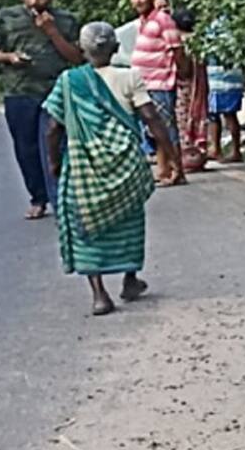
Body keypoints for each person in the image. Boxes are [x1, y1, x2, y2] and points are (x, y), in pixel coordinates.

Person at [43, 22, 177, 316]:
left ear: (82, 50)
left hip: (82, 166)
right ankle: (129, 280)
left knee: (87, 228)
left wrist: (53, 161)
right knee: (129, 220)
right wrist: (171, 154)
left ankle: (99, 295)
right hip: (126, 163)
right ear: (116, 48)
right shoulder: (130, 77)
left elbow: (53, 128)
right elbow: (151, 118)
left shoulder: (68, 81)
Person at [0, 0, 84, 219]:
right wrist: (9, 58)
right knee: (26, 148)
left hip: (56, 91)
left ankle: (61, 196)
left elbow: (77, 57)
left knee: (58, 146)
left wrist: (52, 31)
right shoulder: (5, 18)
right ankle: (38, 198)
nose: (34, 2)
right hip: (20, 92)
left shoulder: (66, 21)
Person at [126, 0, 186, 186]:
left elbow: (176, 48)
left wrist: (182, 74)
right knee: (155, 130)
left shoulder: (163, 20)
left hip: (161, 83)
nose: (137, 1)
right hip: (145, 84)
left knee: (166, 130)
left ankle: (178, 171)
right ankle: (163, 170)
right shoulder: (143, 21)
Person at [170, 7, 211, 174]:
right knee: (198, 116)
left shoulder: (177, 41)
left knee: (182, 119)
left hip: (184, 86)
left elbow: (183, 68)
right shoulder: (199, 40)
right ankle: (198, 156)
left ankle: (187, 158)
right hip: (200, 86)